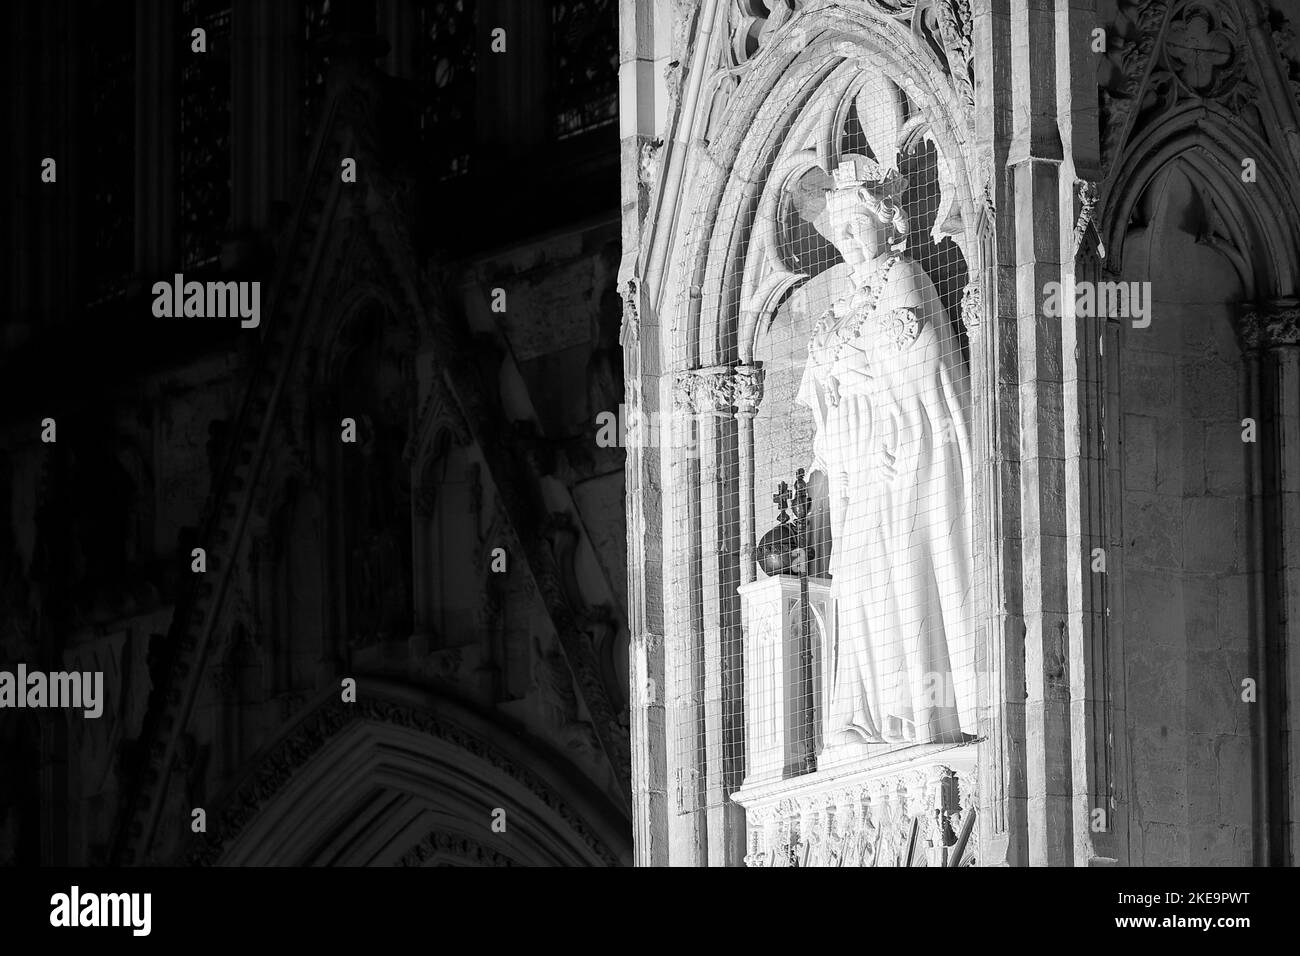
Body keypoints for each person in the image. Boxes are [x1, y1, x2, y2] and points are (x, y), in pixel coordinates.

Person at [796, 154, 976, 748]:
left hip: (902, 456)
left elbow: (922, 364)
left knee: (901, 569)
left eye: (857, 224)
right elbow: (820, 386)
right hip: (858, 465)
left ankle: (917, 715)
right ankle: (864, 713)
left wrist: (860, 369)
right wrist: (838, 369)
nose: (848, 238)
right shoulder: (843, 299)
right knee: (856, 579)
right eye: (839, 229)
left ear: (884, 220)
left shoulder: (902, 274)